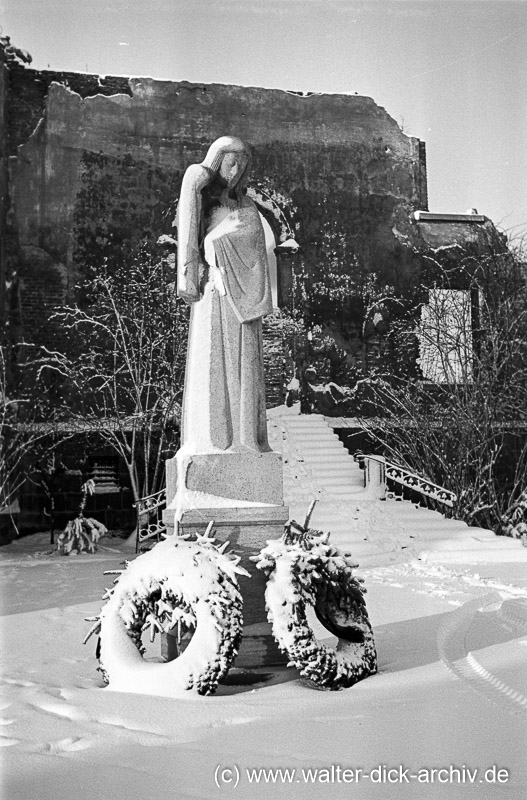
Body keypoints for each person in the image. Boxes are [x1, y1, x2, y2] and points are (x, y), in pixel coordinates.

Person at [175, 136, 273, 455]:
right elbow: (191, 233)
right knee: (214, 365)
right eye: (231, 162)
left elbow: (254, 242)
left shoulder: (247, 206)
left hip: (241, 301)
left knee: (244, 368)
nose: (236, 170)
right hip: (214, 296)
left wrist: (218, 242)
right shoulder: (206, 200)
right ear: (217, 162)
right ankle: (214, 440)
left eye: (242, 165)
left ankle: (246, 440)